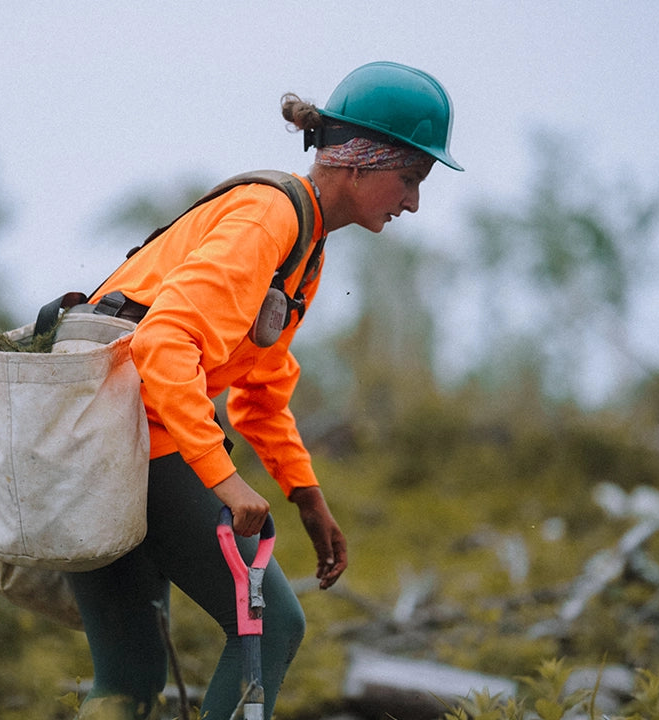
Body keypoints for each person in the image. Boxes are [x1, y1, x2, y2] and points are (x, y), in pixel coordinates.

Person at [68, 61, 463, 720]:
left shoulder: (302, 245)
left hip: (93, 439)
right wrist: (224, 480)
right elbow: (164, 344)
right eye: (411, 179)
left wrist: (307, 496)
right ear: (362, 161)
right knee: (273, 626)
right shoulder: (269, 219)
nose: (414, 203)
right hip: (132, 437)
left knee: (128, 678)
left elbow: (260, 389)